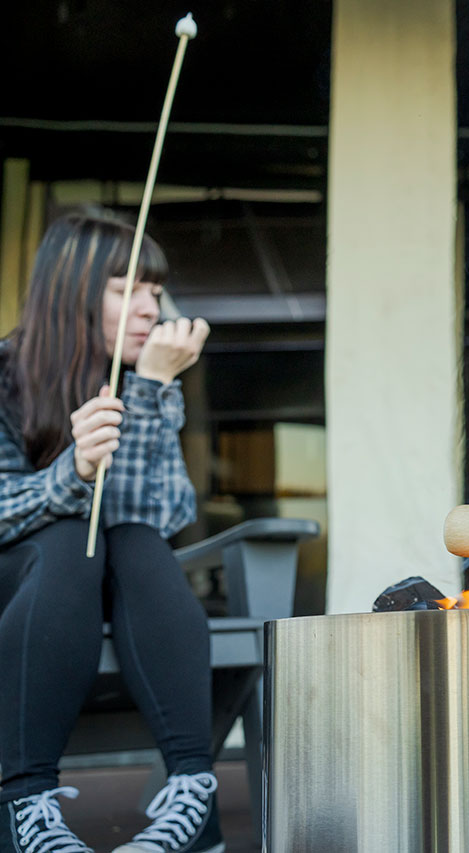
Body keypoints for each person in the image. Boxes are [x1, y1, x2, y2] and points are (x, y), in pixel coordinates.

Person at [0, 211, 219, 853]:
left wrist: (150, 389)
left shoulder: (147, 380)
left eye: (155, 290)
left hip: (113, 585)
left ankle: (193, 794)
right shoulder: (5, 375)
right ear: (72, 292)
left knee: (133, 539)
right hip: (23, 588)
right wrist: (71, 473)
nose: (151, 307)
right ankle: (24, 804)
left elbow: (165, 514)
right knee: (69, 537)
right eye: (128, 289)